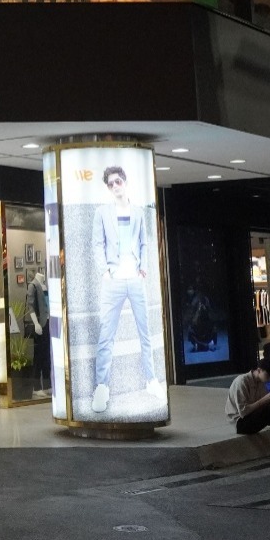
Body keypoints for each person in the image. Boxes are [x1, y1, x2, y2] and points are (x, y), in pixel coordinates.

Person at [88, 165, 161, 413]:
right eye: (110, 184)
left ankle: (151, 380)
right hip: (114, 279)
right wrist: (105, 272)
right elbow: (97, 243)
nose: (114, 186)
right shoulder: (102, 212)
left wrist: (143, 268)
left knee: (145, 332)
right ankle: (102, 386)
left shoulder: (137, 212)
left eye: (117, 181)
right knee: (106, 335)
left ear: (125, 182)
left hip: (135, 279)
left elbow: (144, 242)